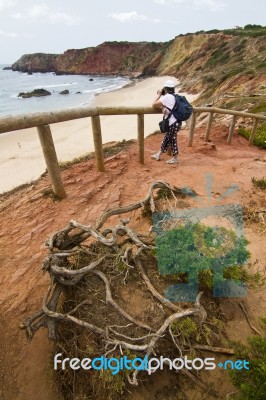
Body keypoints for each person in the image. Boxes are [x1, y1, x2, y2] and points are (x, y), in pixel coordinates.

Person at [151, 79, 181, 164]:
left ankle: (175, 158)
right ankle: (159, 154)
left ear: (166, 88)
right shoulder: (174, 96)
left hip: (173, 122)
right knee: (166, 138)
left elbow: (153, 104)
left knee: (172, 140)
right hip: (175, 122)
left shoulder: (168, 97)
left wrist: (159, 94)